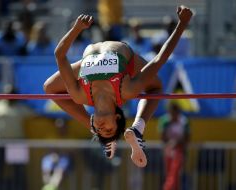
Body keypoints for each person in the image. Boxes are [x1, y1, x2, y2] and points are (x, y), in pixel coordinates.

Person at [44, 6, 193, 168]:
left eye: (100, 131)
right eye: (108, 130)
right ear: (117, 118)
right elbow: (159, 60)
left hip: (87, 64)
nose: (102, 129)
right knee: (156, 88)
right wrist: (182, 25)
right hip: (127, 62)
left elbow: (59, 54)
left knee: (49, 87)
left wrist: (76, 29)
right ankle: (137, 128)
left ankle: (98, 130)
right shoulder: (126, 90)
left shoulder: (79, 95)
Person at [157, 103, 190, 190]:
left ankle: (167, 188)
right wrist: (170, 143)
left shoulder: (184, 121)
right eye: (172, 113)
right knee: (170, 173)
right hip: (168, 150)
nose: (173, 115)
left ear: (178, 112)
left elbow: (187, 139)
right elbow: (163, 138)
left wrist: (177, 143)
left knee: (175, 173)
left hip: (179, 151)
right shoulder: (164, 120)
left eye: (175, 113)